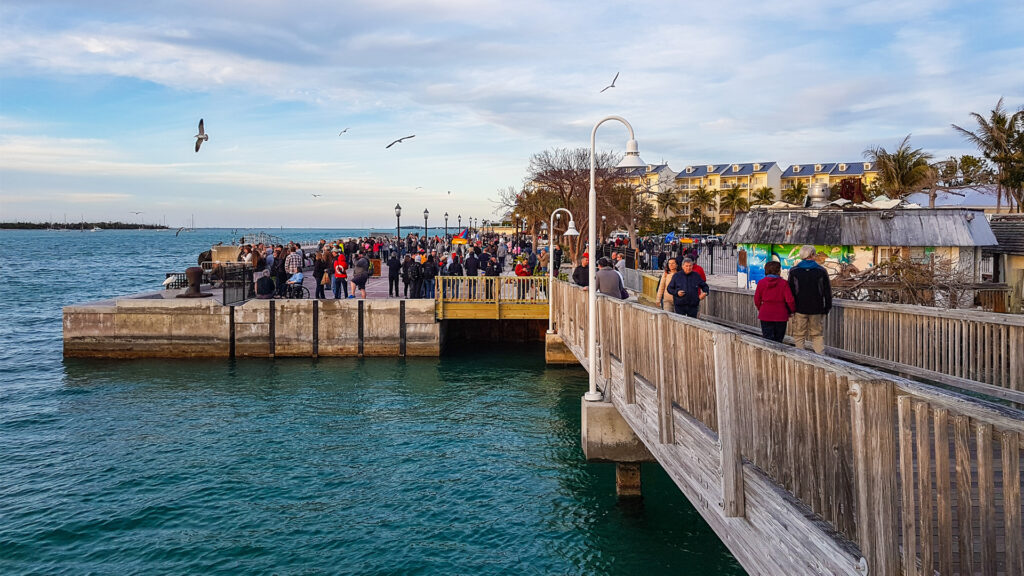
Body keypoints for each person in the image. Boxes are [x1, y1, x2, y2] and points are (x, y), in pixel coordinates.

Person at [788, 244, 833, 354]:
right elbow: (827, 291)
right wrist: (827, 308)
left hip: (799, 308)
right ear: (812, 255)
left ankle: (800, 358)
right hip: (817, 308)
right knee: (817, 335)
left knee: (799, 335)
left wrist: (791, 309)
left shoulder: (794, 271)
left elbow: (790, 292)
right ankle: (820, 358)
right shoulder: (821, 271)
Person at [754, 261, 795, 343]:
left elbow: (756, 299)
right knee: (779, 341)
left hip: (765, 314)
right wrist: (792, 311)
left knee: (767, 341)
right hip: (781, 315)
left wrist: (761, 309)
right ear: (778, 271)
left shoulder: (761, 283)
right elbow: (790, 300)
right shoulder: (784, 283)